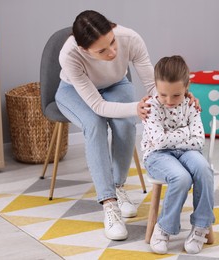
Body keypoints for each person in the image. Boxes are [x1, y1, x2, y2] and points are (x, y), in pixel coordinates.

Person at [55, 10, 198, 241]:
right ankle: (109, 202)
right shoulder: (70, 55)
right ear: (84, 50)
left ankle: (118, 186)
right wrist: (136, 108)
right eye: (101, 50)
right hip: (73, 91)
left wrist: (182, 97)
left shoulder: (130, 38)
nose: (112, 52)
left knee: (125, 123)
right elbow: (98, 107)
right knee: (94, 124)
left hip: (115, 84)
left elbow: (153, 86)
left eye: (112, 42)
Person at [141, 55, 215, 254]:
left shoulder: (191, 104)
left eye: (176, 95)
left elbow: (199, 141)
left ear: (186, 87)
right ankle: (163, 228)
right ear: (156, 86)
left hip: (188, 152)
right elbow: (160, 141)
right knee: (181, 177)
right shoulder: (150, 107)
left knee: (204, 170)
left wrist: (171, 136)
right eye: (163, 94)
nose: (169, 101)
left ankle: (201, 226)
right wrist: (185, 132)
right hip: (157, 155)